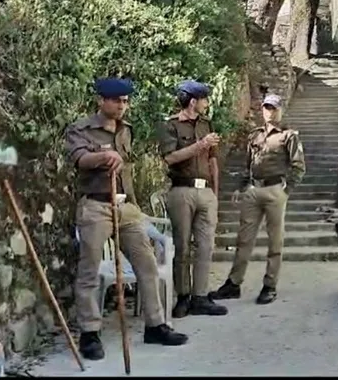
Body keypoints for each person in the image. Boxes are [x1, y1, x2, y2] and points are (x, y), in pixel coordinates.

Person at [64, 77, 188, 361]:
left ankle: (155, 325)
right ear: (101, 101)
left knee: (146, 263)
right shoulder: (80, 129)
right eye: (116, 101)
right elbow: (80, 159)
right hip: (95, 206)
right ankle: (90, 334)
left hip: (125, 208)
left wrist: (134, 204)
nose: (122, 106)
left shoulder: (126, 130)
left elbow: (126, 169)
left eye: (125, 101)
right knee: (89, 272)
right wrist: (104, 157)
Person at [210, 94, 306, 305]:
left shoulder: (288, 136)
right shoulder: (255, 135)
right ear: (262, 110)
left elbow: (299, 166)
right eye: (267, 108)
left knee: (275, 241)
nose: (270, 112)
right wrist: (241, 186)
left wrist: (286, 190)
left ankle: (270, 286)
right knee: (244, 239)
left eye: (274, 108)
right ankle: (233, 284)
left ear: (280, 111)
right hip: (254, 190)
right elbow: (248, 165)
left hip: (274, 190)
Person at [158, 80, 228, 318]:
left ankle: (200, 296)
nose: (207, 104)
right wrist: (199, 145)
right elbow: (169, 158)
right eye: (204, 99)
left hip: (205, 192)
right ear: (193, 102)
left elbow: (213, 161)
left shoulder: (207, 124)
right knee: (182, 246)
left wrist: (215, 194)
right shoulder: (171, 126)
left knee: (206, 246)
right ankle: (183, 296)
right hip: (182, 190)